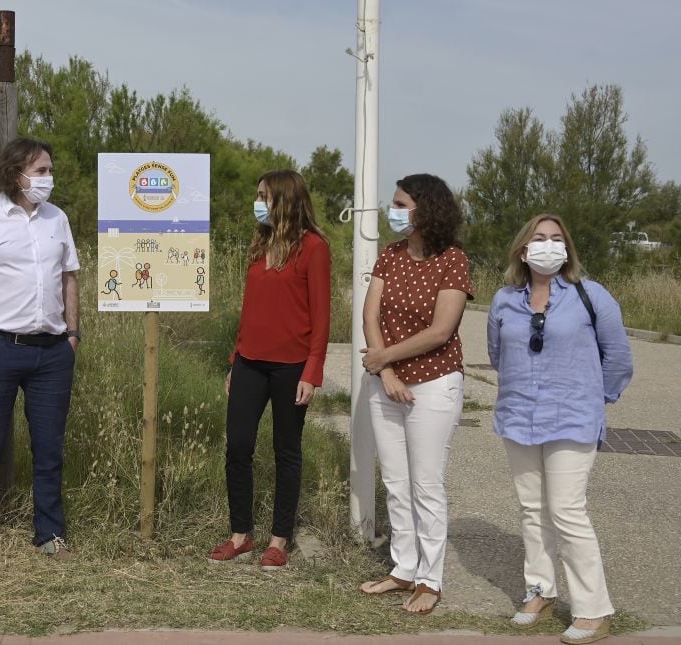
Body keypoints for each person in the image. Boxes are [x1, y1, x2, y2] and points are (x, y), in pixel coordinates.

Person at [487, 214, 632, 645]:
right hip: (518, 418)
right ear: (522, 249)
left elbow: (619, 358)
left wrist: (591, 400)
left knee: (567, 511)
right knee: (532, 509)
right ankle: (540, 592)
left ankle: (593, 609)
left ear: (567, 248)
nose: (548, 245)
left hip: (573, 419)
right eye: (539, 238)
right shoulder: (504, 300)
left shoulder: (591, 296)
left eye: (556, 238)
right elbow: (498, 355)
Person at [0, 137, 80, 564]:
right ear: (16, 174)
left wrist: (73, 334)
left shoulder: (57, 219)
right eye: (41, 171)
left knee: (49, 449)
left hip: (53, 353)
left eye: (49, 170)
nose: (49, 178)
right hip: (1, 350)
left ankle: (49, 534)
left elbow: (70, 278)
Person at [358, 173, 472, 614]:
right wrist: (385, 371)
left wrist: (385, 359)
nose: (395, 210)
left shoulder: (453, 261)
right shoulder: (390, 256)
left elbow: (441, 331)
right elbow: (371, 315)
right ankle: (403, 568)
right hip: (384, 382)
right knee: (395, 482)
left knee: (426, 482)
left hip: (434, 382)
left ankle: (431, 579)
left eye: (401, 203)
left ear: (426, 209)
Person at [208, 170, 332, 571]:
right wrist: (234, 360)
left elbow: (321, 317)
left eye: (264, 196)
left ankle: (280, 540)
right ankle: (241, 535)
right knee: (238, 446)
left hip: (292, 367)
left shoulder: (314, 248)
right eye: (257, 195)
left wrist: (312, 372)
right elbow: (251, 312)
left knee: (286, 451)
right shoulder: (259, 246)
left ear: (285, 200)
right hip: (249, 362)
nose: (258, 203)